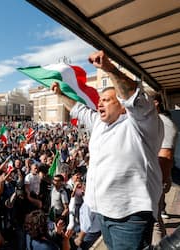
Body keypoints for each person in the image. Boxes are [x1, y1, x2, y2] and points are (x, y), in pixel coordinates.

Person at [51, 50, 164, 249]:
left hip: (130, 216)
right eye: (100, 100)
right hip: (103, 213)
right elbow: (78, 109)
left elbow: (135, 98)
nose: (99, 103)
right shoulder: (99, 123)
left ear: (123, 106)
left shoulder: (141, 123)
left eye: (106, 99)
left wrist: (109, 69)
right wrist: (60, 95)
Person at [152, 93, 178, 244]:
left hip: (154, 181)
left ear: (155, 103)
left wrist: (163, 180)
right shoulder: (154, 121)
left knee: (155, 221)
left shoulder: (163, 123)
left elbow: (166, 156)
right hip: (151, 180)